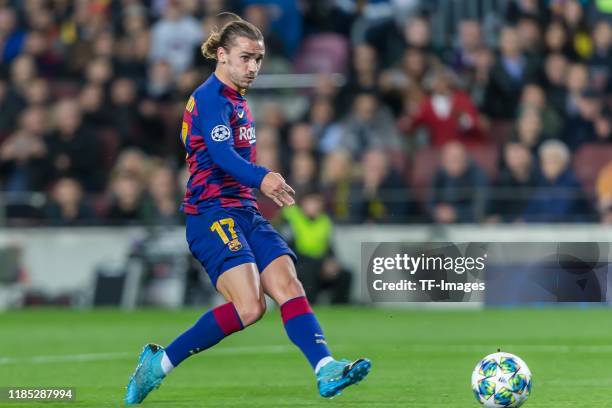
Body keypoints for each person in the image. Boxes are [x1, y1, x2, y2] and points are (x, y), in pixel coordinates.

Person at [124, 13, 370, 405]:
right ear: (221, 55)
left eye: (258, 59)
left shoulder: (236, 99)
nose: (253, 67)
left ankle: (326, 369)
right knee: (250, 306)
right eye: (245, 58)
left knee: (289, 284)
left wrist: (256, 186)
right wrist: (263, 178)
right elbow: (221, 155)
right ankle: (158, 364)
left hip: (244, 212)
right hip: (211, 214)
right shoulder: (209, 98)